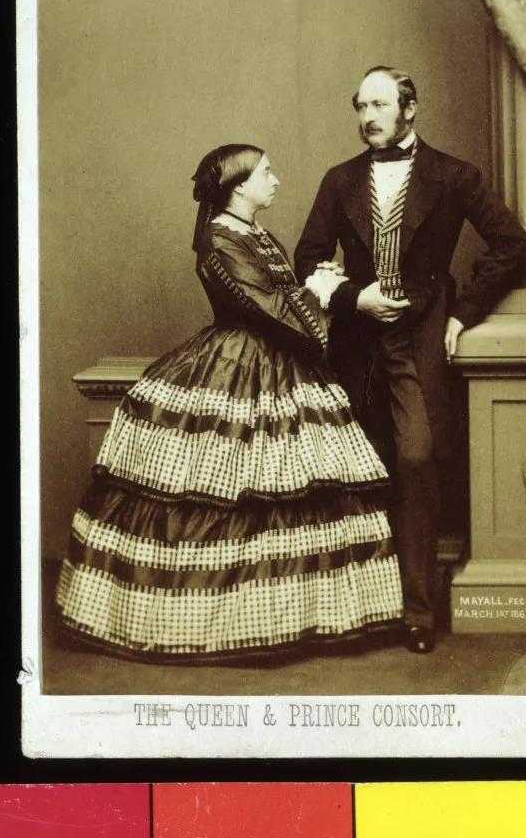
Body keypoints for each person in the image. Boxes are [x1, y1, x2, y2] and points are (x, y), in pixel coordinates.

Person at [56, 143, 404, 662]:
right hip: (237, 363)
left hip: (283, 365)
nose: (276, 180)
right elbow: (272, 313)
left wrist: (317, 287)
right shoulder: (220, 240)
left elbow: (283, 302)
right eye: (266, 172)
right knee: (231, 491)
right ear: (239, 186)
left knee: (293, 487)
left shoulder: (255, 232)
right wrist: (321, 292)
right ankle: (223, 624)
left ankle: (297, 615)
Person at [295, 67, 526, 653]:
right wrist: (356, 298)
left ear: (410, 108)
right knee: (353, 467)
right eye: (360, 106)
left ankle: (416, 612)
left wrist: (462, 314)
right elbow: (307, 259)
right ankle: (354, 611)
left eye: (378, 105)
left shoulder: (454, 176)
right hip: (355, 343)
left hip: (420, 337)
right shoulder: (339, 179)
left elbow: (513, 246)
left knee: (416, 459)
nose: (367, 117)